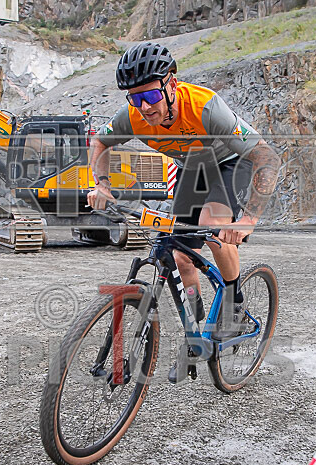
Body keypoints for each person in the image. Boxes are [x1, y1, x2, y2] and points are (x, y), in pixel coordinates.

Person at [87, 42, 281, 383]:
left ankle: (234, 307)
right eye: (135, 99)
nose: (144, 108)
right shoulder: (132, 116)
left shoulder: (206, 108)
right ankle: (197, 338)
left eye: (150, 97)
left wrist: (248, 219)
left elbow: (266, 157)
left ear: (172, 85)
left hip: (229, 163)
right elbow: (100, 142)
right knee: (179, 257)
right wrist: (101, 184)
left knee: (212, 225)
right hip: (193, 168)